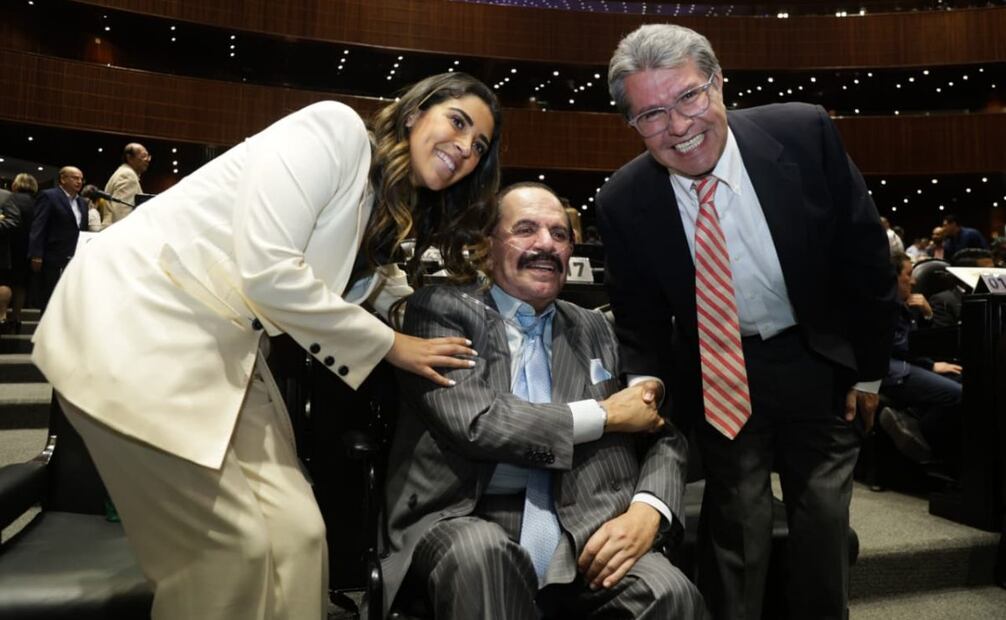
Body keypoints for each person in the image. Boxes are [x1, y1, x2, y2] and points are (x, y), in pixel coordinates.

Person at [31, 72, 503, 620]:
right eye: (458, 122)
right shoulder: (334, 129)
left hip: (226, 348)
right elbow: (270, 272)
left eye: (479, 146)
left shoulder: (380, 202)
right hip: (141, 319)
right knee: (228, 552)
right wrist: (392, 345)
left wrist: (457, 317)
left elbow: (370, 285)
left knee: (300, 537)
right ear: (415, 112)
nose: (465, 148)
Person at [596, 24, 896, 619]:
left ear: (718, 83)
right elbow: (639, 317)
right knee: (736, 523)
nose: (678, 126)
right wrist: (645, 386)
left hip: (816, 359)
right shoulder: (622, 199)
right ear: (632, 123)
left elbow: (865, 259)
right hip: (720, 372)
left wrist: (869, 374)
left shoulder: (804, 133)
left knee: (823, 521)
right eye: (651, 114)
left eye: (689, 97)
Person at [382, 182, 705, 619]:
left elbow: (664, 433)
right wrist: (604, 415)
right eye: (526, 229)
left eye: (559, 234)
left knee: (668, 592)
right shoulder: (440, 312)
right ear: (487, 245)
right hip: (466, 515)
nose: (546, 245)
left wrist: (648, 511)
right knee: (481, 556)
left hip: (589, 527)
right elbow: (478, 423)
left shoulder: (600, 329)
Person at [879, 252, 962, 464]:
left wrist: (927, 314)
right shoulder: (883, 304)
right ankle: (922, 439)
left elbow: (918, 343)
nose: (914, 281)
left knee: (963, 379)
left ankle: (913, 415)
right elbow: (903, 347)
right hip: (892, 369)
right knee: (959, 394)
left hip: (906, 363)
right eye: (908, 274)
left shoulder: (902, 302)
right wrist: (931, 366)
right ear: (893, 277)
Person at [28, 166, 88, 313]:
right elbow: (39, 226)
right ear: (63, 179)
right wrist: (36, 254)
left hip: (75, 258)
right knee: (50, 298)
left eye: (81, 179)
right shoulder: (49, 196)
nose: (79, 182)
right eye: (75, 178)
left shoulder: (82, 202)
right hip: (52, 257)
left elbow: (82, 230)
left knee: (70, 300)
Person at [2, 173, 38, 331]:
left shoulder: (9, 199)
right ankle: (16, 319)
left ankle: (2, 317)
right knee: (21, 286)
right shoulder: (38, 202)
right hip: (29, 250)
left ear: (15, 185)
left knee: (5, 282)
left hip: (8, 249)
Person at [103, 142, 151, 223]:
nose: (148, 160)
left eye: (148, 156)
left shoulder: (123, 172)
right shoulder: (128, 175)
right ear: (129, 158)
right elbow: (122, 213)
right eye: (143, 156)